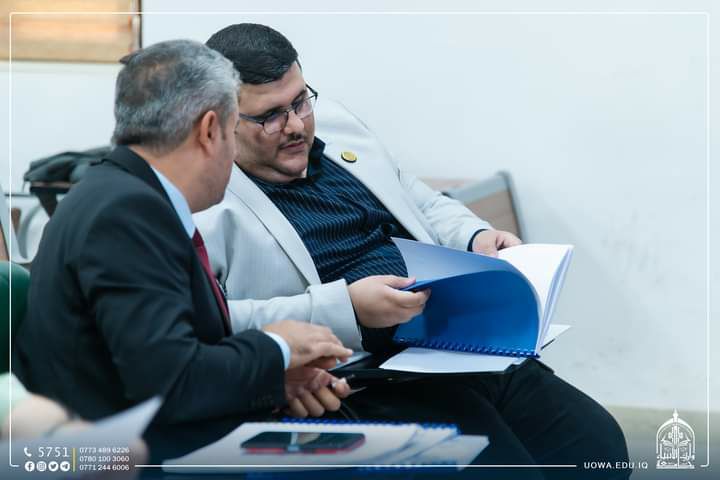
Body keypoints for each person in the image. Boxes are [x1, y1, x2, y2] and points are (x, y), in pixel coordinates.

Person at [194, 24, 630, 478]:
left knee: (597, 449)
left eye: (301, 101)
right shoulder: (205, 204)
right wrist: (347, 308)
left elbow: (416, 197)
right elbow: (213, 323)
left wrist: (474, 236)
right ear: (222, 120)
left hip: (453, 343)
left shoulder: (340, 126)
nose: (297, 126)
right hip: (365, 378)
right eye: (270, 116)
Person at [12, 39, 352, 425]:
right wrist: (278, 346)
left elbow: (170, 360)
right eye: (232, 132)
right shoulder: (126, 216)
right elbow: (172, 385)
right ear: (209, 131)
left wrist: (273, 382)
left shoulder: (122, 194)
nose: (233, 155)